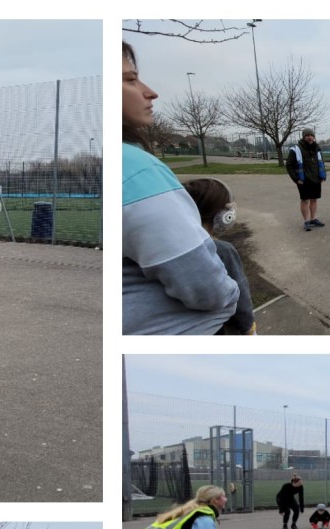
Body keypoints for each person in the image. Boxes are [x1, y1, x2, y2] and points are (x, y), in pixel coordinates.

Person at [122, 43, 239, 334]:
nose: (150, 92)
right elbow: (205, 287)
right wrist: (230, 299)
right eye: (129, 80)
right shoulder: (136, 167)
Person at [182, 178, 256, 335]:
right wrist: (249, 327)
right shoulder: (222, 250)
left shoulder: (176, 246)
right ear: (224, 214)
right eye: (230, 207)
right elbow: (240, 298)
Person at [286, 128, 327, 231]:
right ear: (303, 136)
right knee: (305, 200)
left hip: (316, 179)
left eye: (312, 135)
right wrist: (296, 179)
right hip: (303, 180)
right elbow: (289, 165)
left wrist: (323, 175)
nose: (310, 137)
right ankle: (306, 221)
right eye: (307, 135)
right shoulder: (296, 149)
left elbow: (321, 162)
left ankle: (313, 219)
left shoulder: (317, 148)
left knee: (314, 199)